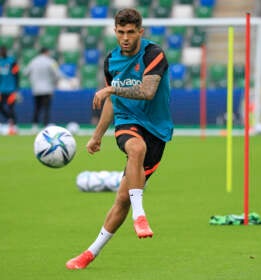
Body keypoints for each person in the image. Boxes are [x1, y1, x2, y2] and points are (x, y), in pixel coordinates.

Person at [66, 8, 173, 270]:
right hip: (127, 123)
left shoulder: (153, 53)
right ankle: (141, 214)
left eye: (130, 32)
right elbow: (113, 104)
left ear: (140, 32)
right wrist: (97, 136)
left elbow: (148, 91)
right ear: (115, 31)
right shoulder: (110, 61)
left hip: (157, 130)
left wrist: (111, 88)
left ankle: (90, 253)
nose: (125, 37)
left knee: (121, 199)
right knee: (136, 147)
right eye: (120, 32)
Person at [23, 47, 63, 131]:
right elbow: (57, 74)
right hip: (47, 89)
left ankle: (34, 125)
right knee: (46, 108)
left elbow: (25, 72)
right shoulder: (50, 61)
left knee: (37, 108)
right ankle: (45, 125)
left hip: (36, 89)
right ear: (47, 52)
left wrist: (33, 80)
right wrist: (53, 81)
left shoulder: (33, 61)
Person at [0, 46, 19, 135]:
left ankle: (14, 125)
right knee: (1, 107)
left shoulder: (12, 61)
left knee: (11, 108)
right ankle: (9, 119)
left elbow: (17, 74)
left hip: (11, 89)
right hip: (1, 89)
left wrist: (17, 88)